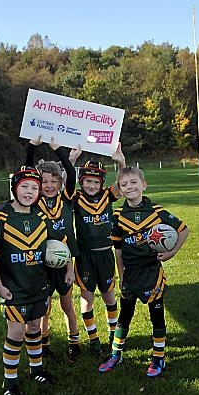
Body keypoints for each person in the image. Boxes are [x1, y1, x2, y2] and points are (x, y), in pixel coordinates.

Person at [98, 166, 189, 377]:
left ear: (143, 185)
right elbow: (118, 249)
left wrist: (172, 252)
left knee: (156, 317)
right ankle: (115, 354)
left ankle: (158, 358)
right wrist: (121, 275)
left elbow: (184, 229)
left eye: (133, 183)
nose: (129, 187)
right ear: (119, 190)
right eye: (124, 184)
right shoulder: (118, 215)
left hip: (152, 274)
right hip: (130, 274)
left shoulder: (156, 211)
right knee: (125, 315)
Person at [0, 166, 60, 395]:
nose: (30, 191)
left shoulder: (41, 218)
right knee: (15, 333)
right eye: (24, 186)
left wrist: (66, 268)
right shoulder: (1, 218)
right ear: (14, 188)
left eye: (35, 187)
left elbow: (58, 246)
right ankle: (10, 383)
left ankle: (37, 369)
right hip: (14, 288)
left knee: (34, 327)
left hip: (38, 285)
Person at [25, 136, 81, 363]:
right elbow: (27, 169)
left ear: (60, 183)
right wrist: (32, 147)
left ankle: (74, 342)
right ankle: (45, 343)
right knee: (44, 309)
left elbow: (70, 171)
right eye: (44, 181)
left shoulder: (66, 199)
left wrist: (58, 150)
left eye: (53, 181)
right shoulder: (35, 199)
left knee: (67, 306)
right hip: (41, 265)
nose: (48, 185)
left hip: (65, 264)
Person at [68, 145, 126, 356]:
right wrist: (71, 160)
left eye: (96, 181)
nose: (92, 185)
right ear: (81, 181)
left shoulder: (107, 196)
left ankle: (113, 334)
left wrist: (121, 162)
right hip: (85, 256)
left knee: (110, 297)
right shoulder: (76, 198)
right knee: (87, 298)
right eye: (87, 181)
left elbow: (122, 183)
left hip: (105, 255)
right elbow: (64, 185)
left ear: (101, 183)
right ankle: (93, 338)